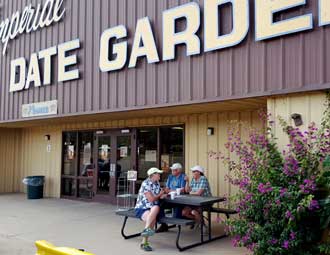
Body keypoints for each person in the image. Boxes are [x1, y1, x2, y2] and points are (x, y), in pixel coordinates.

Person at [135, 167, 165, 252]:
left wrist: (163, 195)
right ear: (152, 175)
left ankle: (144, 238)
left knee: (155, 208)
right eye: (158, 174)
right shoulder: (146, 183)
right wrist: (160, 195)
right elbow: (151, 199)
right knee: (152, 218)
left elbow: (157, 195)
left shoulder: (157, 183)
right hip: (142, 208)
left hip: (152, 208)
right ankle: (145, 241)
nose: (159, 175)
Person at [156, 163, 186, 233]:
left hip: (179, 199)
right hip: (169, 198)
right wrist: (170, 190)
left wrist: (170, 190)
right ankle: (163, 224)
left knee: (178, 206)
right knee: (159, 205)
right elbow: (166, 188)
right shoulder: (170, 177)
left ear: (178, 170)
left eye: (173, 170)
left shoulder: (183, 176)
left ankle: (178, 224)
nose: (172, 171)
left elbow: (182, 190)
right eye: (172, 170)